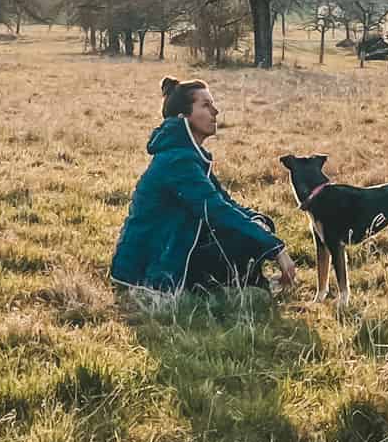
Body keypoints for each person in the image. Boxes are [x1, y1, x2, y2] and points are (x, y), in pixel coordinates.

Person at [111, 76, 297, 295]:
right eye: (206, 105)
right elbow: (216, 211)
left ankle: (242, 286)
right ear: (183, 118)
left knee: (258, 226)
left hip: (176, 245)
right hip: (148, 267)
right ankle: (235, 290)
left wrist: (261, 226)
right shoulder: (178, 161)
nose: (215, 112)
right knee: (240, 235)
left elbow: (226, 203)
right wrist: (276, 249)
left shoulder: (189, 155)